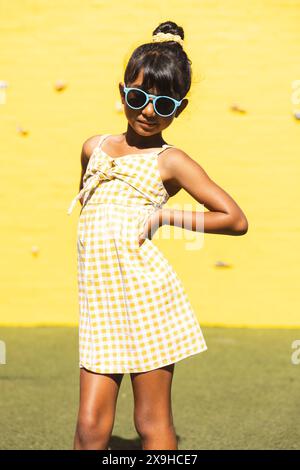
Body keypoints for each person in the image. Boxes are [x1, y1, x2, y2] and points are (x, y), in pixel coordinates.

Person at [67, 20, 248, 451]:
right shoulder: (94, 147)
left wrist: (167, 218)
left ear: (178, 110)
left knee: (151, 421)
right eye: (137, 97)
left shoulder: (171, 161)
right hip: (100, 303)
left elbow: (234, 218)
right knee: (90, 429)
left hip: (147, 298)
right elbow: (91, 210)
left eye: (163, 104)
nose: (147, 110)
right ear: (122, 91)